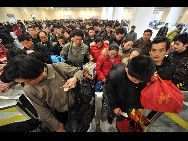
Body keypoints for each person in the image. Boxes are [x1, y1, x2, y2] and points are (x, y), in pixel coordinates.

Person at [3, 54, 83, 132]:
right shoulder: (29, 89)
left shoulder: (58, 68)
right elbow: (43, 111)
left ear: (39, 72)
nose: (26, 84)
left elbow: (79, 71)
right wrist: (58, 127)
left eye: (28, 81)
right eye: (23, 82)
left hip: (79, 105)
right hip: (60, 114)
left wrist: (75, 78)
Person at [104, 55, 156, 126]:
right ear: (126, 70)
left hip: (129, 104)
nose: (137, 83)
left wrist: (139, 106)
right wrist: (114, 106)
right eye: (134, 81)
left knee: (123, 118)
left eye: (139, 82)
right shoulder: (115, 76)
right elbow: (109, 92)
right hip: (116, 101)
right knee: (112, 114)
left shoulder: (143, 76)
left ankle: (119, 124)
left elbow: (139, 93)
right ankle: (111, 118)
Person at [146, 36, 176, 120]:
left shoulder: (171, 68)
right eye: (154, 50)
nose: (156, 54)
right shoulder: (142, 64)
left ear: (167, 51)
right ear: (150, 51)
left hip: (157, 101)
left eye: (161, 50)